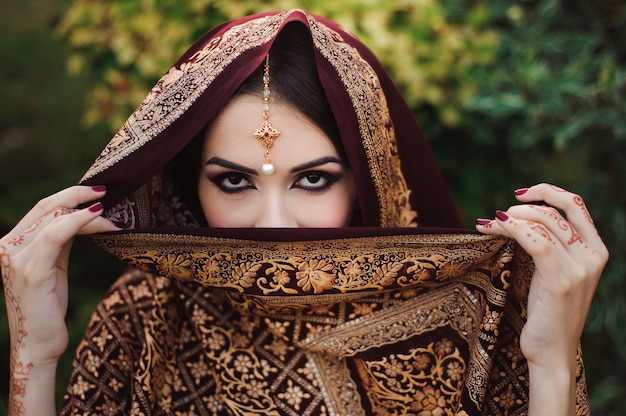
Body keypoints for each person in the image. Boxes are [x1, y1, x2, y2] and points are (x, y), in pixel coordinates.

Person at [1, 10, 607, 416]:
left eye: (313, 179)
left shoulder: (473, 317)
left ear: (369, 177)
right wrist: (35, 354)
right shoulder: (142, 317)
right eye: (234, 181)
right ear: (188, 185)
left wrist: (550, 364)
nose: (273, 225)